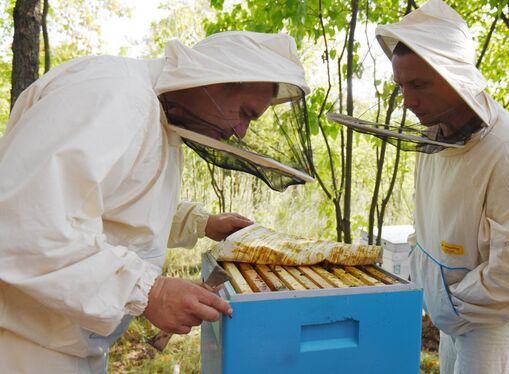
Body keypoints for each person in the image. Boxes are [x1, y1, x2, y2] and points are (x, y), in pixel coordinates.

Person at [0, 31, 310, 372]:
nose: (241, 132)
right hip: (20, 346)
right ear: (216, 78)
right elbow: (27, 222)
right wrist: (150, 291)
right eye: (246, 113)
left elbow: (116, 209)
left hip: (64, 341)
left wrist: (201, 223)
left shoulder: (158, 120)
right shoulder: (112, 94)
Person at [375, 0, 509, 373]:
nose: (408, 101)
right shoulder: (433, 136)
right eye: (402, 86)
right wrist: (441, 299)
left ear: (455, 76)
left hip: (495, 323)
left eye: (419, 84)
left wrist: (450, 300)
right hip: (453, 310)